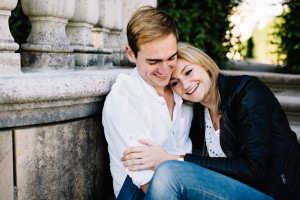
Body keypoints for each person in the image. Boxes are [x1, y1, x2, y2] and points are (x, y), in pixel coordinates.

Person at [123, 42, 300, 200]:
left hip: (269, 192)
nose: (185, 85)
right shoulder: (199, 113)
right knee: (141, 175)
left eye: (189, 72)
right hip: (225, 190)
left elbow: (253, 169)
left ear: (205, 65)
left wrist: (174, 159)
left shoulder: (247, 92)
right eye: (175, 83)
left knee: (169, 171)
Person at [102, 7, 193, 199]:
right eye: (153, 61)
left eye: (171, 58)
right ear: (131, 53)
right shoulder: (124, 99)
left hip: (187, 181)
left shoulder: (182, 87)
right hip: (141, 192)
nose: (164, 70)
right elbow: (145, 180)